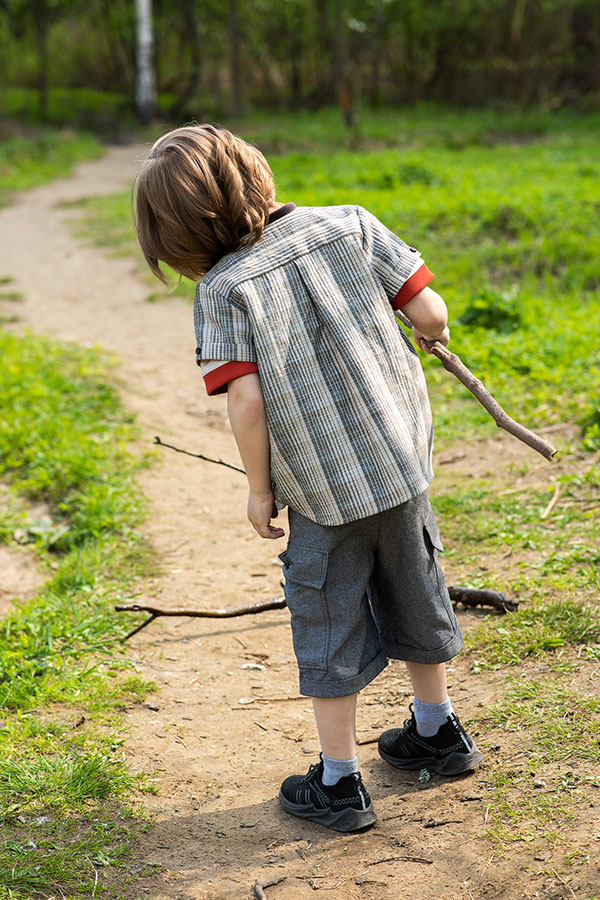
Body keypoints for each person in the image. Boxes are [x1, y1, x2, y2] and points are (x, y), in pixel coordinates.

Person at [134, 123, 484, 834]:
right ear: (256, 174)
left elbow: (249, 400)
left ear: (176, 237)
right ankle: (438, 731)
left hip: (323, 494)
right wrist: (429, 333)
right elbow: (429, 309)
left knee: (327, 618)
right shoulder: (350, 224)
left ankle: (339, 781)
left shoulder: (224, 290)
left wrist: (259, 489)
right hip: (401, 461)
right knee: (417, 586)